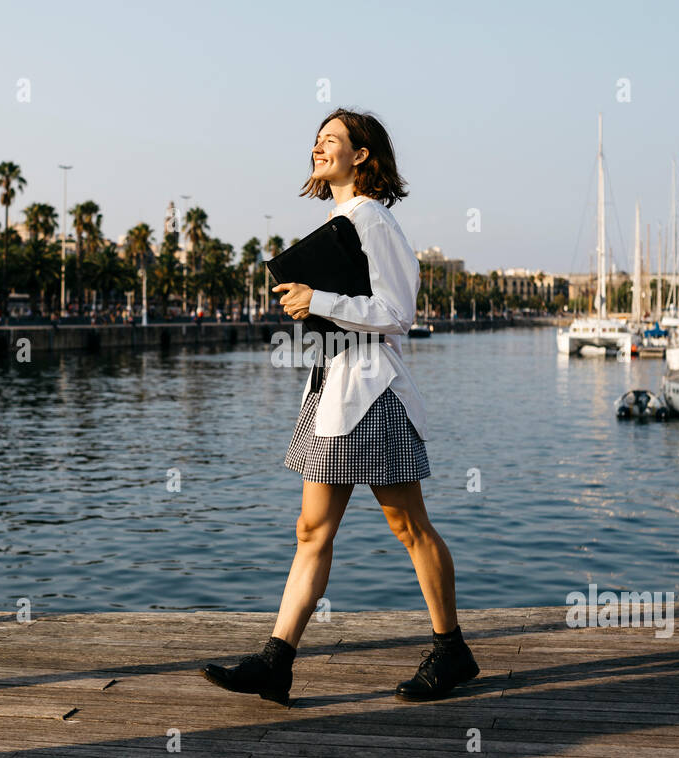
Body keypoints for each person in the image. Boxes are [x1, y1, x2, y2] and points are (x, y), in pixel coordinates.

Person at [201, 107, 477, 706]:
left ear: (362, 157)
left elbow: (398, 312)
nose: (320, 149)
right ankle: (277, 662)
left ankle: (451, 650)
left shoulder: (372, 219)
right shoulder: (341, 219)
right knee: (311, 530)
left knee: (407, 526)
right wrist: (309, 305)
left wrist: (317, 296)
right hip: (333, 391)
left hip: (371, 397)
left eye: (333, 141)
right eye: (317, 141)